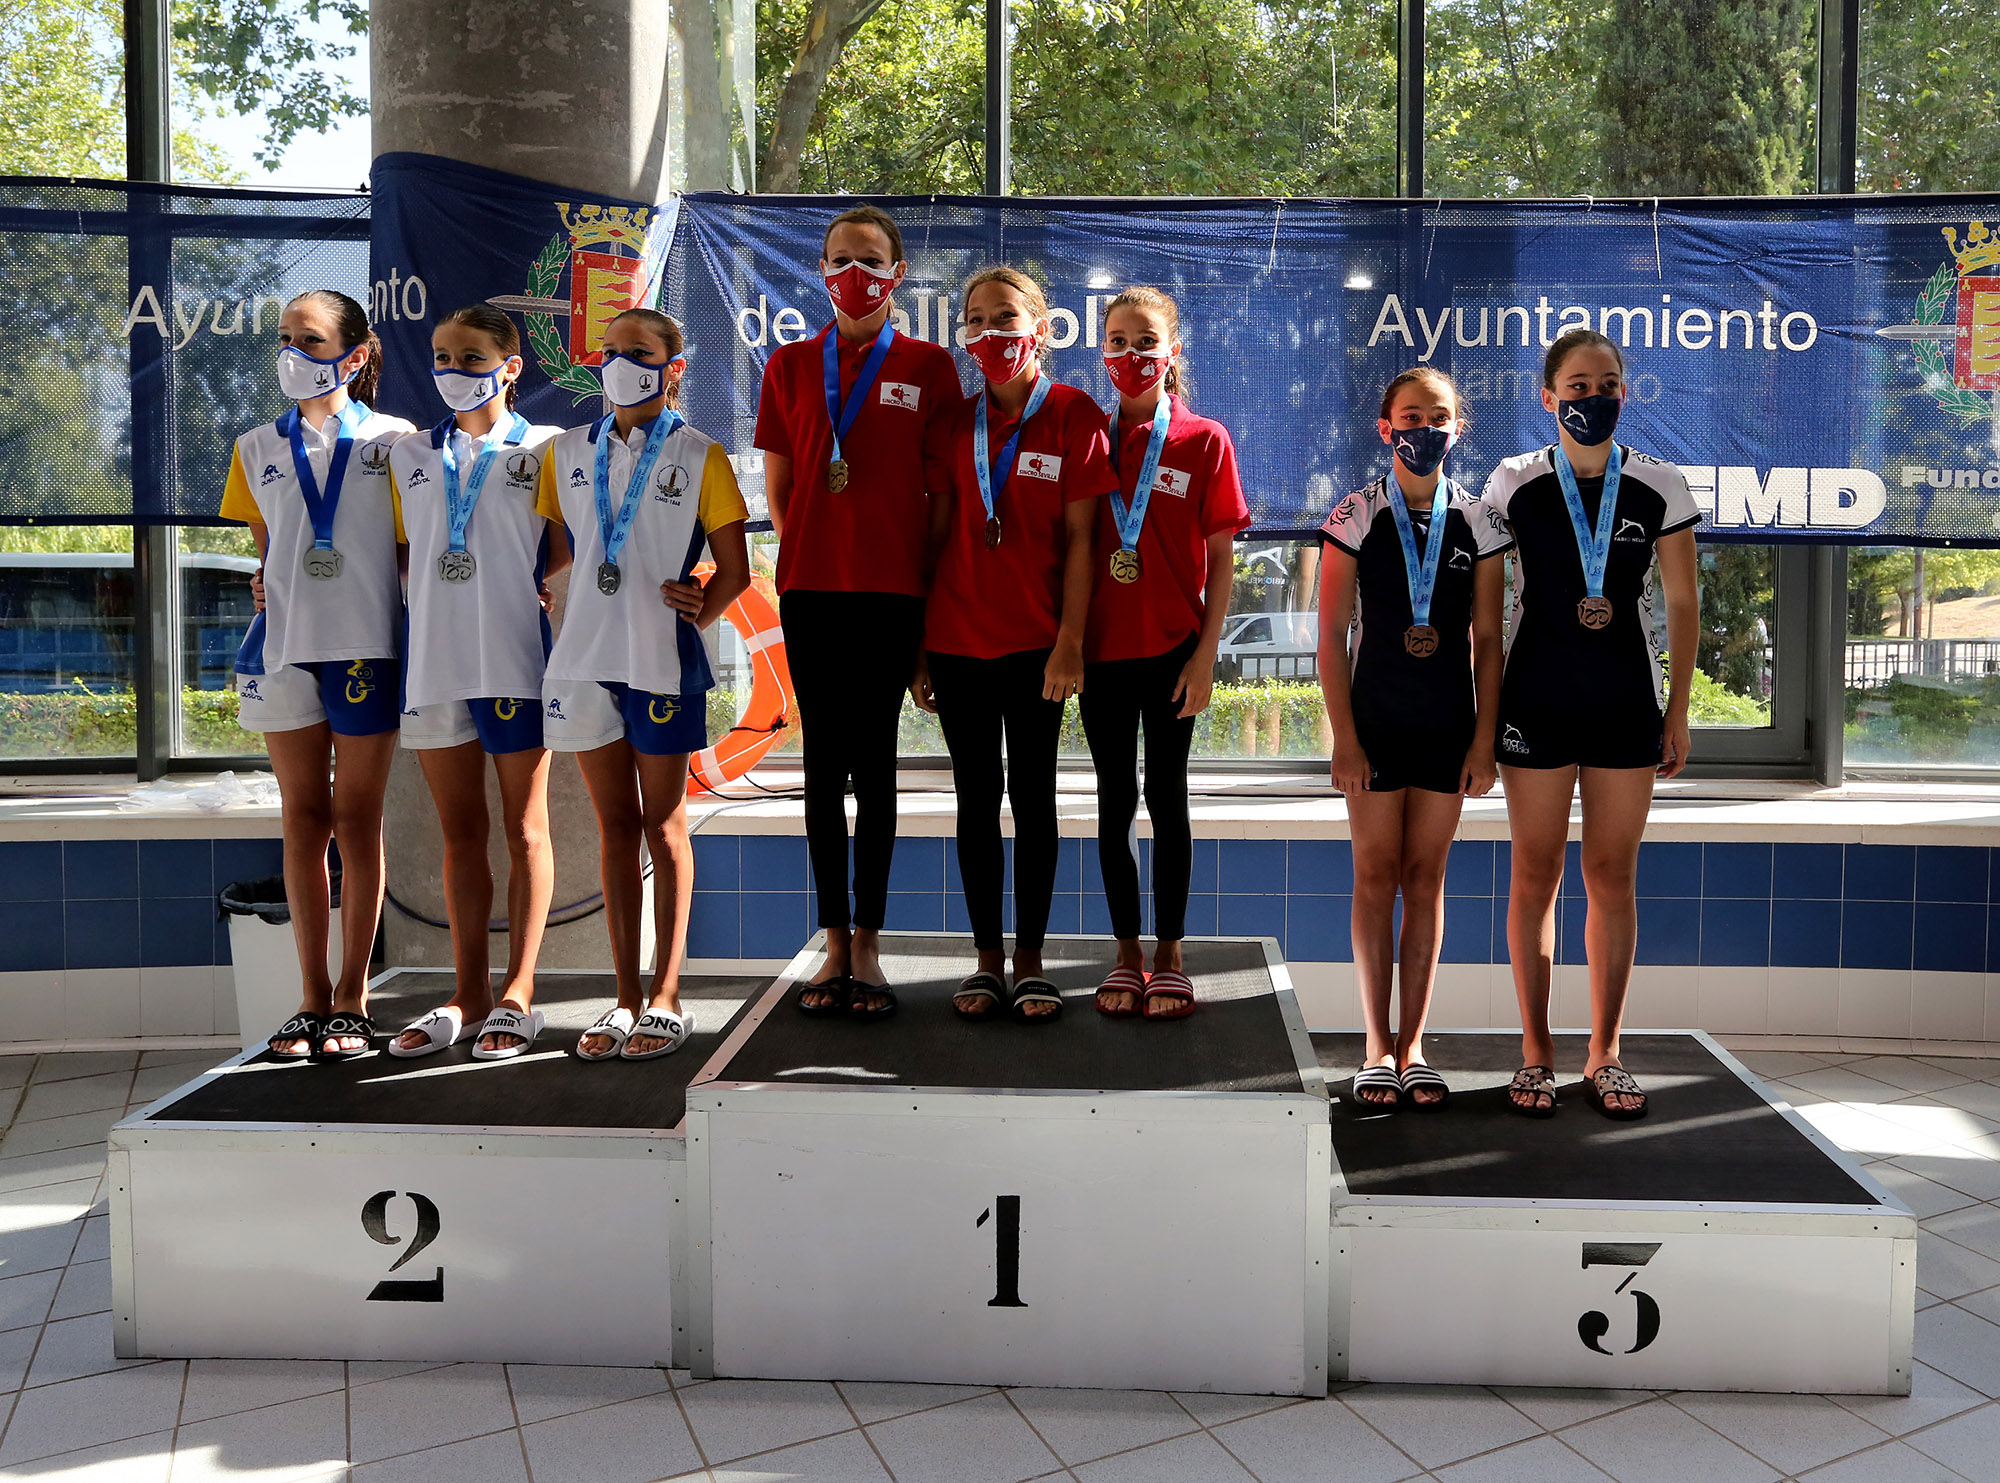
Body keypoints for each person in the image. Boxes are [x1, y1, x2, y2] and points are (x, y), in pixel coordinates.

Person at [1481, 329, 1700, 1121]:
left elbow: (1680, 602)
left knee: (1611, 875)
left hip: (1623, 704)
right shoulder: (1512, 482)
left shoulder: (1659, 484)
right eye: (1576, 385)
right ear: (1547, 396)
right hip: (1534, 700)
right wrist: (1482, 717)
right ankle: (1536, 1052)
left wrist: (1677, 710)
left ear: (1625, 391)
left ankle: (1604, 1050)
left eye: (1607, 382)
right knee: (1534, 873)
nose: (1592, 396)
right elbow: (1487, 608)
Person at [753, 204, 963, 1020]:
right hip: (812, 589)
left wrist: (924, 604)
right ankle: (830, 941)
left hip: (891, 594)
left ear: (897, 274)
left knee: (873, 770)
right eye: (841, 258)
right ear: (822, 268)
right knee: (819, 770)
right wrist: (812, 541)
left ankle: (868, 946)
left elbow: (939, 496)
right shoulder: (792, 366)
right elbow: (779, 488)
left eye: (871, 260)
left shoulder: (930, 366)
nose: (855, 273)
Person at [536, 307, 751, 1061]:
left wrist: (702, 607)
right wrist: (537, 590)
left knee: (665, 825)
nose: (623, 360)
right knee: (614, 830)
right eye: (614, 349)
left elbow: (737, 570)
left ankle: (666, 995)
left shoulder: (701, 454)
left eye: (642, 350)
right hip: (583, 662)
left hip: (661, 660)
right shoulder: (564, 452)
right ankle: (623, 996)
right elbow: (558, 555)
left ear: (674, 366)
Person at [914, 266, 1117, 1023]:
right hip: (958, 641)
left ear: (1039, 326)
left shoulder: (1074, 415)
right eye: (976, 319)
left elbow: (1083, 542)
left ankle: (1030, 959)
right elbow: (934, 538)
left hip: (1038, 648)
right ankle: (986, 958)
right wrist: (919, 647)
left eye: (1006, 317)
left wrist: (1070, 643)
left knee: (1033, 801)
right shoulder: (949, 424)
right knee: (975, 801)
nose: (991, 333)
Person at [222, 289, 415, 1061]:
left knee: (357, 818)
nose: (291, 352)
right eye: (284, 338)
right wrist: (262, 582)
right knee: (302, 820)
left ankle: (353, 997)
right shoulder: (254, 445)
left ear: (356, 353)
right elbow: (268, 549)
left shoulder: (397, 442)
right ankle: (308, 998)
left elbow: (410, 551)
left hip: (368, 645)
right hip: (284, 647)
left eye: (309, 338)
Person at [1319, 368, 1508, 1111]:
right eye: (1410, 416)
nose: (1424, 428)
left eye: (1439, 417)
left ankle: (1415, 1044)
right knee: (1375, 877)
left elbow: (1489, 640)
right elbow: (1332, 637)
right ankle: (1374, 1045)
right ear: (1385, 427)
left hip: (1446, 725)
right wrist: (1345, 740)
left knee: (1425, 878)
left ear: (1459, 427)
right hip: (1375, 722)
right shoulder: (1355, 514)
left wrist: (1483, 740)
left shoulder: (1483, 524)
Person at [387, 304, 564, 1061]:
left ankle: (519, 992)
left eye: (468, 355)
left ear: (510, 365)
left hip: (517, 663)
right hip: (435, 662)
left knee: (525, 829)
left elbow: (562, 546)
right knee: (461, 835)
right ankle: (469, 992)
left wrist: (522, 586)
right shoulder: (407, 454)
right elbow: (398, 554)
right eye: (440, 354)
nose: (451, 368)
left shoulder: (548, 449)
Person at [1081, 287, 1248, 1021]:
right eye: (1117, 340)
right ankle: (1125, 953)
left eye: (1146, 340)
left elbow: (1222, 559)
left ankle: (1172, 954)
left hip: (1175, 650)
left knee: (1168, 798)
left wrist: (1206, 655)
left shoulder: (1204, 440)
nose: (1131, 354)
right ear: (1101, 351)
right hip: (1100, 655)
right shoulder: (1085, 435)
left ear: (1173, 352)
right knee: (1114, 802)